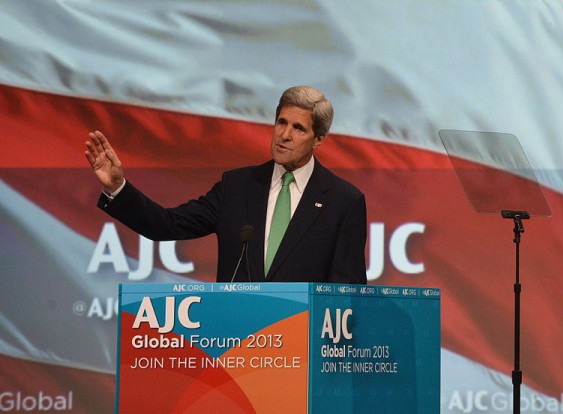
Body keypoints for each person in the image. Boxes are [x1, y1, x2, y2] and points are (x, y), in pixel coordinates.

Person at [85, 85, 367, 284]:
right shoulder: (238, 186)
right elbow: (166, 224)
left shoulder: (343, 201)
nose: (284, 135)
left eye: (298, 128)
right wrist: (118, 188)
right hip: (238, 343)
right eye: (281, 123)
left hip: (305, 349)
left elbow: (348, 289)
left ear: (318, 139)